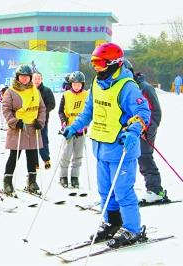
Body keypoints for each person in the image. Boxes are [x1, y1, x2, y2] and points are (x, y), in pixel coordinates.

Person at [63, 43, 151, 248]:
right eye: (93, 62)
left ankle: (132, 228)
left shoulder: (127, 86)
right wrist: (74, 127)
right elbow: (88, 111)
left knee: (122, 190)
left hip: (122, 148)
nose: (95, 67)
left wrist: (133, 131)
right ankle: (112, 222)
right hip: (101, 146)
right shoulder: (97, 82)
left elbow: (143, 113)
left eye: (100, 63)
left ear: (113, 63)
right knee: (105, 190)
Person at [124, 59, 167, 203]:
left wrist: (147, 130)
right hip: (131, 130)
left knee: (144, 157)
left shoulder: (144, 88)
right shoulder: (125, 88)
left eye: (126, 72)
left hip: (146, 130)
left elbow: (155, 112)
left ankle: (155, 190)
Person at [1, 64, 46, 196]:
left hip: (32, 127)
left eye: (27, 76)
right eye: (22, 76)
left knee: (32, 156)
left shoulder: (35, 90)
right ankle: (7, 181)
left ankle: (32, 181)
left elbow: (41, 108)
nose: (24, 79)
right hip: (18, 128)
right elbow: (6, 109)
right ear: (17, 77)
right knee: (14, 155)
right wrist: (14, 122)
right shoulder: (11, 91)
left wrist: (40, 121)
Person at [58, 71, 88, 188]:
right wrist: (63, 121)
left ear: (82, 84)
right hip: (69, 130)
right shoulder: (66, 95)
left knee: (78, 156)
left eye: (79, 84)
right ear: (71, 84)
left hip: (81, 131)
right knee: (66, 154)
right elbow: (60, 111)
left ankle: (75, 177)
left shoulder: (86, 95)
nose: (76, 86)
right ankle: (63, 176)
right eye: (74, 84)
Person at [32, 72, 56, 169]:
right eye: (35, 78)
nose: (37, 80)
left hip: (42, 121)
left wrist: (41, 113)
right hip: (31, 120)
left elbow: (52, 104)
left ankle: (46, 159)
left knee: (43, 140)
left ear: (41, 79)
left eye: (38, 78)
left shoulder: (47, 90)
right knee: (32, 141)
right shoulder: (29, 91)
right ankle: (34, 162)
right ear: (31, 79)